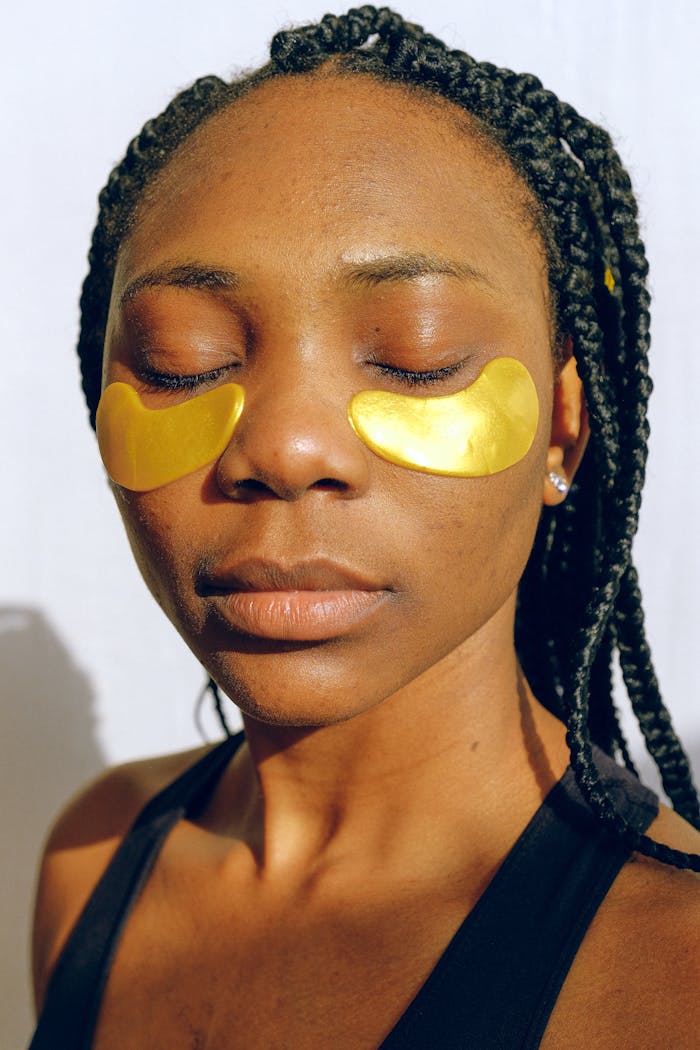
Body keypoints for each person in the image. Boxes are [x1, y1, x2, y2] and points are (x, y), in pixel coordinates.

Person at [29, 6, 700, 1047]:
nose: (287, 448)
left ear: (565, 429)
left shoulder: (670, 980)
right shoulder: (90, 862)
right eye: (183, 361)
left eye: (415, 358)